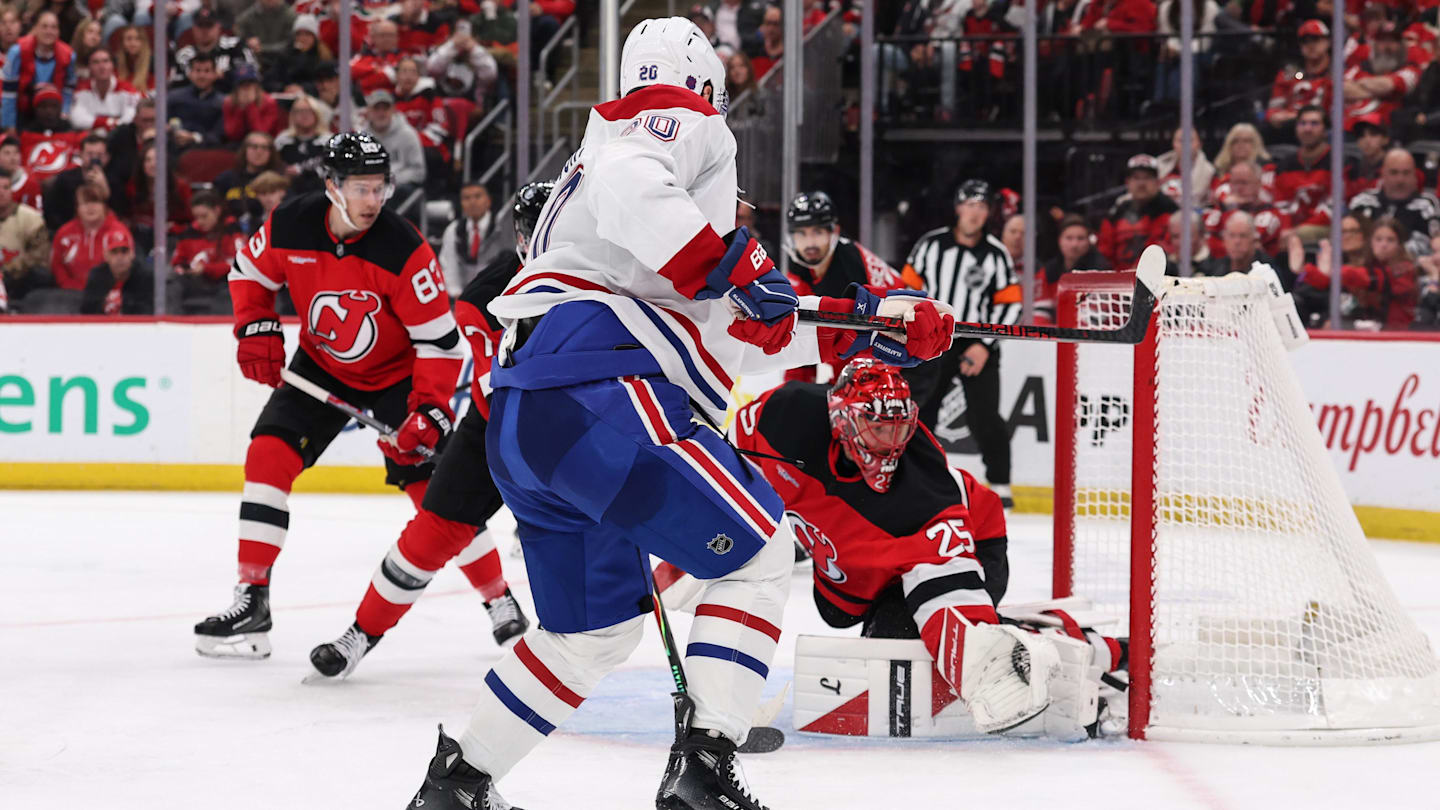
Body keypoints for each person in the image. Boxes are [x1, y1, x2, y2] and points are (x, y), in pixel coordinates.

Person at [402, 18, 955, 810]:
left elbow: (731, 327)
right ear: (700, 89)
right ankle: (704, 769)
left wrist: (876, 322)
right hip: (600, 395)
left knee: (586, 636)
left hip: (534, 422)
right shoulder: (663, 126)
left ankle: (458, 785)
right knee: (759, 552)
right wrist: (728, 263)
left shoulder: (619, 211)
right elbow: (654, 204)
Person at [717, 360, 1125, 735]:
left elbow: (948, 584)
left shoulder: (924, 497)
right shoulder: (783, 416)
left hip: (974, 543)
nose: (889, 445)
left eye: (898, 430)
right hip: (870, 562)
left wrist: (983, 660)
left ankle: (1066, 649)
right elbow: (724, 463)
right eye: (878, 428)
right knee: (840, 613)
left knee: (900, 644)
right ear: (842, 421)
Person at [194, 132, 464, 660]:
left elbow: (440, 343)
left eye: (379, 188)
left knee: (438, 495)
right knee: (267, 455)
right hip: (320, 370)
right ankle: (252, 598)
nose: (373, 201)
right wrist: (255, 326)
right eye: (361, 188)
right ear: (332, 186)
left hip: (396, 378)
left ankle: (496, 599)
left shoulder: (403, 248)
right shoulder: (291, 223)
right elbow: (248, 273)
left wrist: (429, 408)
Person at [306, 183, 555, 681]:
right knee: (432, 532)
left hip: (581, 434)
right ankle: (362, 633)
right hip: (498, 427)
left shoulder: (612, 282)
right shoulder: (490, 294)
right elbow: (494, 374)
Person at [903, 178, 1017, 508]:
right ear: (958, 209)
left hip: (975, 342)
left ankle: (1000, 481)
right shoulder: (931, 245)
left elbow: (1008, 303)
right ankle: (910, 472)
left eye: (982, 207)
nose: (975, 213)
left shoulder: (996, 253)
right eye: (970, 205)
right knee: (921, 410)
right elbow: (906, 289)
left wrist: (983, 344)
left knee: (985, 416)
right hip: (933, 339)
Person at [780, 190, 924, 389]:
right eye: (801, 234)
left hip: (908, 360)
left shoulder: (851, 268)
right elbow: (799, 327)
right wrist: (794, 386)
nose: (810, 243)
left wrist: (846, 388)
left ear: (834, 232)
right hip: (866, 359)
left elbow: (870, 339)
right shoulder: (800, 266)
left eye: (818, 232)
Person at [1292, 216, 1419, 329]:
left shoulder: (1405, 268)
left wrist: (1332, 272)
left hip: (1400, 332)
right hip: (1372, 325)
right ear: (1371, 242)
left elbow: (1364, 277)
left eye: (1390, 240)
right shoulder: (1370, 264)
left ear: (1400, 245)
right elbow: (1325, 281)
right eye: (1378, 239)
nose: (1383, 245)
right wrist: (1303, 269)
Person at [1347, 147, 1440, 259]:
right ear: (1383, 174)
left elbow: (1433, 244)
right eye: (1394, 173)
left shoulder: (1427, 205)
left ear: (1414, 175)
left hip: (1411, 269)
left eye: (1406, 173)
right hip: (1364, 267)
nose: (1400, 179)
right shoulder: (1362, 202)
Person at [169, 190, 245, 314]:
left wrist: (206, 268)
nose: (200, 221)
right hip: (195, 282)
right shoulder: (188, 234)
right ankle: (170, 323)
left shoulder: (232, 230)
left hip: (224, 283)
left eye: (204, 216)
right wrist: (185, 269)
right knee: (172, 284)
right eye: (196, 217)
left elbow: (238, 263)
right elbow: (176, 263)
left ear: (217, 211)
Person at [1098, 154, 1178, 269]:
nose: (1141, 184)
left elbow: (1159, 251)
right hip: (1118, 279)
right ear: (1127, 182)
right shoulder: (1117, 212)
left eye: (1147, 177)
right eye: (1136, 178)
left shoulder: (1170, 212)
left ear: (1158, 182)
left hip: (1156, 279)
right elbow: (1104, 251)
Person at [51, 181, 131, 292]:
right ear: (77, 208)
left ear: (104, 206)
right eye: (84, 203)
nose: (90, 207)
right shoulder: (64, 233)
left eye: (95, 202)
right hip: (70, 293)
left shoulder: (119, 233)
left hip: (109, 293)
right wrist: (68, 286)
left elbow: (124, 269)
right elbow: (57, 264)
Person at [1034, 214, 1111, 324]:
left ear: (1089, 242)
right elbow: (1039, 312)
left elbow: (1095, 318)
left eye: (1080, 238)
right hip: (1054, 334)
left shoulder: (1100, 271)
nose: (1074, 244)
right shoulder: (1048, 271)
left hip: (1091, 336)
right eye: (1069, 238)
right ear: (1059, 240)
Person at [1274, 105, 1334, 241]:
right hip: (1291, 230)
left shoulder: (1338, 161)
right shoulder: (1285, 165)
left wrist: (1297, 231)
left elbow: (1334, 208)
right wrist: (1286, 229)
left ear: (1325, 130)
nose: (1307, 128)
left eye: (1314, 123)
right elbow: (1281, 205)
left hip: (1325, 228)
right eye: (1303, 123)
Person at [1203, 160, 1284, 259]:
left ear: (1258, 184)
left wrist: (1231, 209)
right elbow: (1206, 239)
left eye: (1244, 183)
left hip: (1257, 269)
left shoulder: (1269, 214)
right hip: (1219, 267)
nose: (1238, 188)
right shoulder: (1222, 208)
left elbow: (1243, 246)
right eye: (1234, 183)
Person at [360, 89, 426, 211]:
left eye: (385, 109)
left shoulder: (408, 134)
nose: (381, 113)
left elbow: (419, 172)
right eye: (376, 109)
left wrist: (388, 181)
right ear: (368, 112)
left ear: (393, 110)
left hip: (398, 188)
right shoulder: (361, 138)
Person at [1266, 19, 1332, 137]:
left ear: (1327, 41)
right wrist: (1274, 115)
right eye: (1305, 41)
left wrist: (1297, 116)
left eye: (1315, 39)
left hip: (1325, 128)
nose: (1310, 45)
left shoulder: (1338, 73)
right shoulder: (1290, 73)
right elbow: (1274, 109)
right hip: (1290, 128)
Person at [41, 133, 117, 233]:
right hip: (67, 231)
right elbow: (51, 211)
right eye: (90, 154)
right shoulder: (65, 179)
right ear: (80, 155)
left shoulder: (114, 180)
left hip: (105, 232)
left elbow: (120, 214)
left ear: (107, 157)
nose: (94, 159)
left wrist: (105, 189)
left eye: (99, 155)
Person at [172, 8, 257, 92]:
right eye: (200, 26)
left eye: (209, 25)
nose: (204, 31)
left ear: (218, 27)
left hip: (230, 98)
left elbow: (251, 74)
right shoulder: (184, 55)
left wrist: (224, 75)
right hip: (193, 102)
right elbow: (175, 86)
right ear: (193, 29)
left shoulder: (236, 46)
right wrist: (194, 79)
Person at [0, 166, 51, 303]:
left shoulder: (30, 218)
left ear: (12, 190)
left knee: (40, 275)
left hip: (18, 280)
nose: (1, 193)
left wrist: (10, 269)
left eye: (6, 188)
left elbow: (40, 254)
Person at [1197, 210, 1282, 284]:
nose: (1236, 242)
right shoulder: (1213, 269)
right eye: (1232, 235)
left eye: (1243, 236)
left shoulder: (1268, 271)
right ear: (1224, 239)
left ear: (1254, 239)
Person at [437, 180, 493, 291]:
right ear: (461, 203)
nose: (472, 202)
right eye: (466, 198)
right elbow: (448, 265)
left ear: (488, 201)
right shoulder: (453, 230)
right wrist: (456, 292)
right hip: (465, 293)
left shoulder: (501, 226)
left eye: (477, 196)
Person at [80, 228, 152, 315]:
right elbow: (87, 310)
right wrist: (105, 305)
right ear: (106, 256)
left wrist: (123, 305)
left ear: (132, 254)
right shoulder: (97, 276)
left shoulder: (145, 277)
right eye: (114, 252)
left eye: (124, 251)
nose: (120, 257)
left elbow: (148, 311)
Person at [425, 18, 499, 102]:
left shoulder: (481, 54)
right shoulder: (442, 50)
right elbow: (432, 69)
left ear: (474, 39)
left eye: (466, 38)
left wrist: (473, 50)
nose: (462, 41)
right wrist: (452, 45)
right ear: (450, 37)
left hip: (472, 107)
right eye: (458, 36)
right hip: (442, 103)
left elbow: (490, 75)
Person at [216, 132, 284, 222]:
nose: (259, 152)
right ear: (245, 150)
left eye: (264, 148)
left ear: (271, 153)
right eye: (254, 147)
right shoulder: (226, 178)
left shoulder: (278, 179)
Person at [70, 48, 140, 131]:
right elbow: (76, 120)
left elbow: (131, 119)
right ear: (89, 67)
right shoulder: (81, 91)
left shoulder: (128, 90)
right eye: (96, 62)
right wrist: (109, 122)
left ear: (113, 65)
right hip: (91, 139)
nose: (102, 67)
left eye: (106, 61)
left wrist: (98, 123)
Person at [166, 53, 227, 149]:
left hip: (207, 151)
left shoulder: (223, 102)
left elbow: (219, 135)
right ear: (190, 74)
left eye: (207, 71)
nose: (202, 76)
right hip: (173, 148)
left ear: (215, 74)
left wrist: (194, 137)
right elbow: (163, 123)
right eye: (197, 71)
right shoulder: (174, 97)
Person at [275, 93, 332, 195]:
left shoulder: (328, 141)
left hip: (321, 193)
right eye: (299, 111)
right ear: (292, 115)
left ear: (316, 114)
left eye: (309, 111)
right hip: (290, 194)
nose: (304, 115)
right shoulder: (282, 141)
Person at [267, 13, 331, 93]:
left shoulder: (322, 57)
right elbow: (269, 81)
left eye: (307, 34)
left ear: (315, 37)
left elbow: (326, 84)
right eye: (299, 34)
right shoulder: (285, 55)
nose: (302, 38)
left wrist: (303, 88)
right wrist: (284, 88)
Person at [222, 64, 283, 143]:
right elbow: (232, 135)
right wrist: (241, 108)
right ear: (236, 88)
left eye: (249, 84)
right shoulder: (229, 103)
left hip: (265, 145)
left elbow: (261, 134)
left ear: (257, 85)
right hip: (237, 145)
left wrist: (251, 106)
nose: (246, 88)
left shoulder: (269, 102)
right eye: (242, 85)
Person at [1157, 127, 1215, 207]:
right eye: (1181, 141)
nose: (1185, 145)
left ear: (1199, 144)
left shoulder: (1210, 172)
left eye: (1190, 140)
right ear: (1173, 144)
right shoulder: (1158, 166)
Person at [0, 133, 42, 209]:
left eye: (16, 152)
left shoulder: (30, 181)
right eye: (7, 153)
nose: (13, 158)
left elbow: (37, 215)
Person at [113, 24, 149, 92]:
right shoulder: (115, 64)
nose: (133, 43)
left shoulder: (152, 65)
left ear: (143, 42)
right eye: (129, 39)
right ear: (122, 43)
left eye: (138, 39)